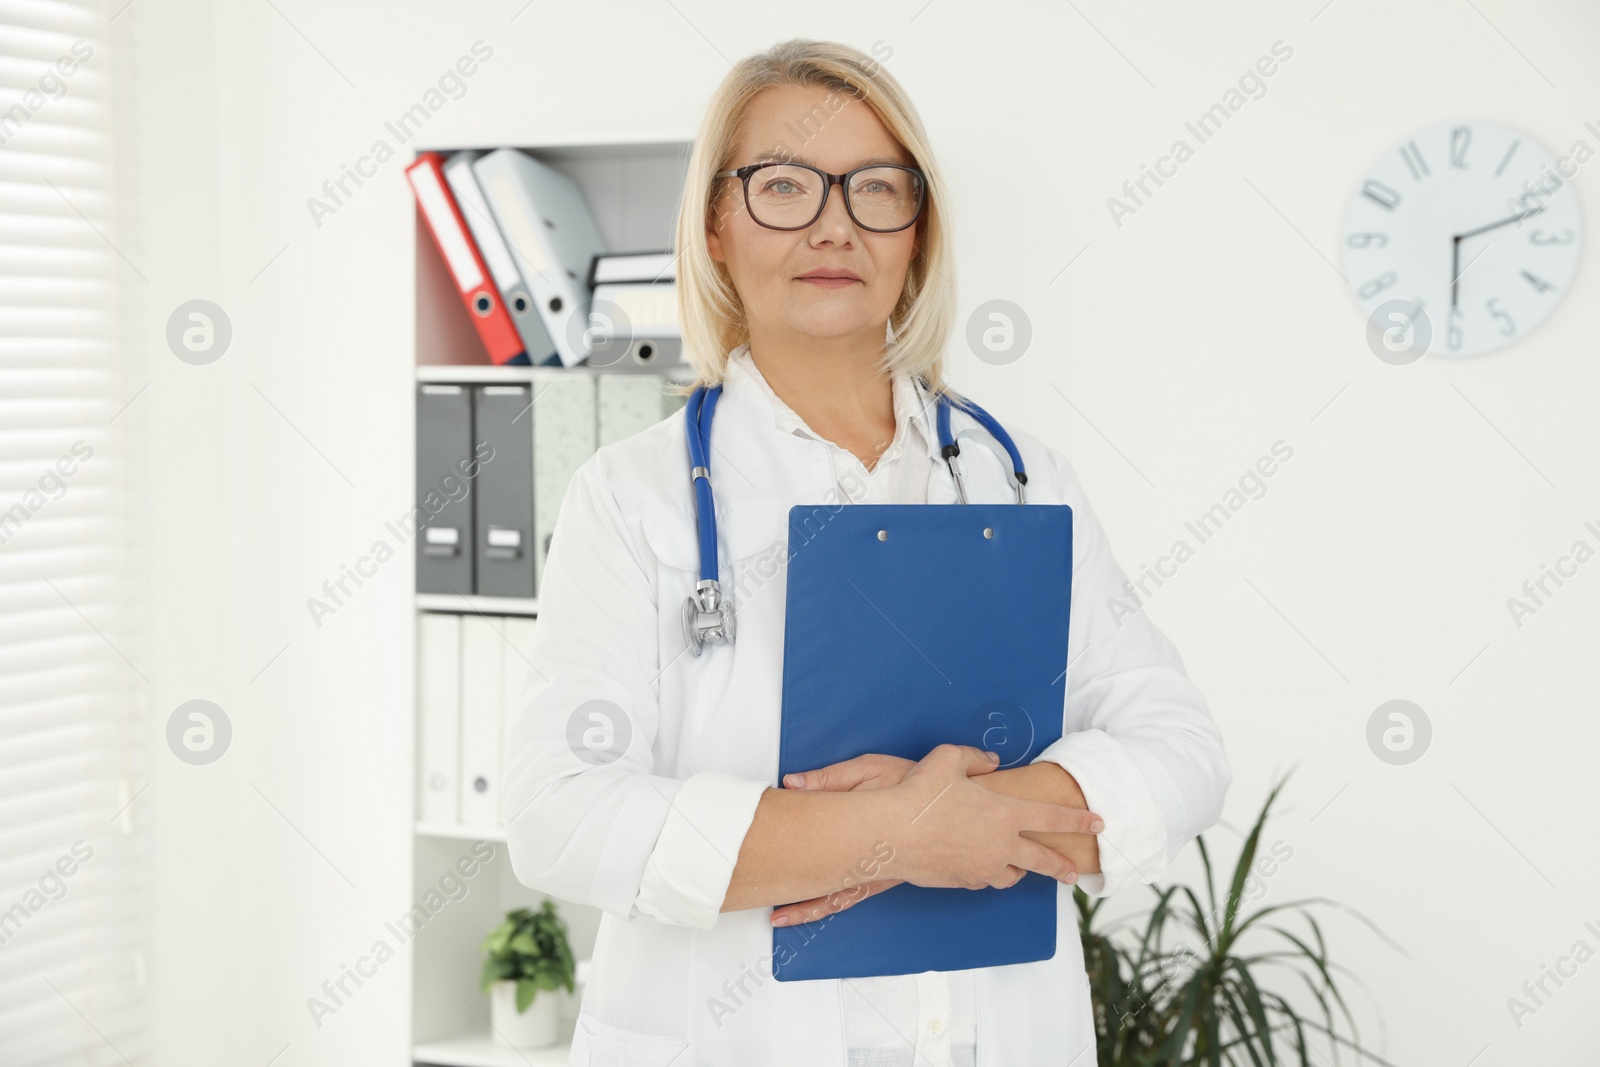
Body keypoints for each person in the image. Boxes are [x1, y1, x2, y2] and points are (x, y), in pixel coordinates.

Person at [502, 37, 1231, 1067]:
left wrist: (972, 819)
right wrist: (902, 836)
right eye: (785, 185)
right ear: (716, 222)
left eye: (876, 188)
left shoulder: (1020, 481)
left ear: (916, 229)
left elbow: (1180, 748)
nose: (833, 224)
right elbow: (558, 810)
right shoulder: (634, 500)